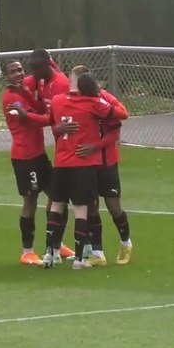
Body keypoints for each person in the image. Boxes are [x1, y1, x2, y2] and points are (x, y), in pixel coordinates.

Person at [43, 72, 126, 269]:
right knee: (81, 209)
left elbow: (53, 125)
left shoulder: (56, 100)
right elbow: (121, 115)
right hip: (83, 164)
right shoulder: (93, 103)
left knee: (56, 206)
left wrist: (60, 127)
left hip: (61, 163)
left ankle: (48, 254)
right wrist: (102, 97)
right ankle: (80, 259)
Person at [68, 65, 133, 266]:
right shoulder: (77, 101)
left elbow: (117, 125)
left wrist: (94, 147)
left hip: (107, 161)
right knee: (92, 207)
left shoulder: (104, 101)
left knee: (114, 207)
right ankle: (98, 253)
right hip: (88, 164)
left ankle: (125, 243)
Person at [23, 49, 76, 262]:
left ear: (47, 65)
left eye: (37, 70)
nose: (33, 75)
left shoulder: (61, 84)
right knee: (57, 197)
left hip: (70, 147)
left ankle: (65, 247)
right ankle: (55, 246)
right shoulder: (41, 79)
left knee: (65, 198)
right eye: (32, 71)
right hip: (59, 150)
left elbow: (58, 122)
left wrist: (28, 116)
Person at [2, 60, 55, 265]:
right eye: (13, 71)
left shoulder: (25, 92)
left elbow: (39, 107)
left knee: (56, 194)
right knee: (30, 200)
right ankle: (27, 251)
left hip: (38, 154)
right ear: (6, 76)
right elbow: (33, 118)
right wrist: (51, 117)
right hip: (25, 157)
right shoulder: (11, 98)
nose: (18, 74)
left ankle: (55, 244)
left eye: (20, 70)